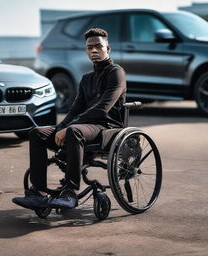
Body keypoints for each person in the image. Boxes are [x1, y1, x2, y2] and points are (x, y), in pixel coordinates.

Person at [12, 28, 126, 210]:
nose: (94, 50)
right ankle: (38, 193)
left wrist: (69, 128)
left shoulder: (116, 73)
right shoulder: (86, 78)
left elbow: (103, 108)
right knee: (37, 133)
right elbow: (75, 110)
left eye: (98, 46)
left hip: (106, 126)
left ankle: (70, 192)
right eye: (89, 48)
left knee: (74, 131)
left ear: (108, 48)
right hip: (83, 126)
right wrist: (60, 128)